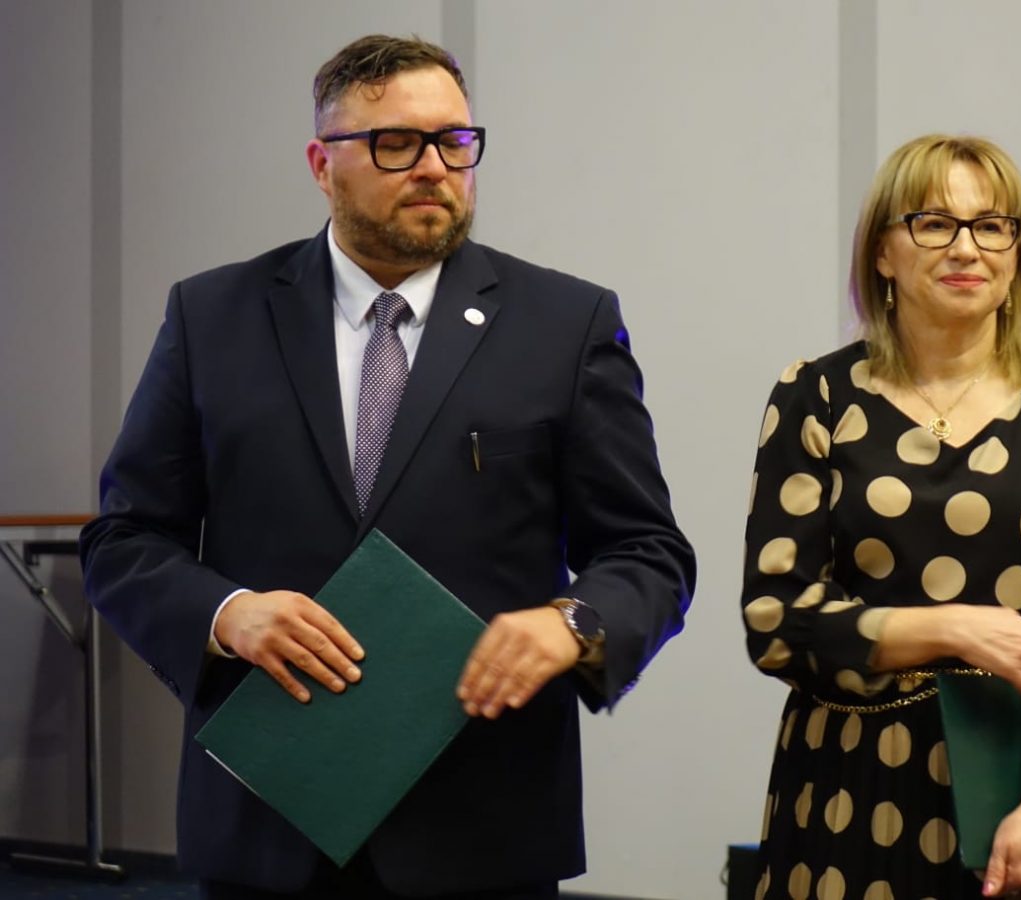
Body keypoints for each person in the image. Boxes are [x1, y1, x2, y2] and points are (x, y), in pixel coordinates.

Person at [80, 34, 694, 900]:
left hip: (483, 821)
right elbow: (124, 541)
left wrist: (573, 623)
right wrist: (226, 614)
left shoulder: (565, 323)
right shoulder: (212, 316)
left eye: (455, 141)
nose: (435, 168)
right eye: (396, 144)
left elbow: (648, 553)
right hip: (270, 814)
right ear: (321, 165)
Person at [741, 134, 1021, 900]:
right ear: (882, 253)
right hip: (850, 788)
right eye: (933, 223)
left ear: (1018, 253)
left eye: (991, 226)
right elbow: (776, 621)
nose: (966, 248)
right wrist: (954, 628)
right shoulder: (814, 396)